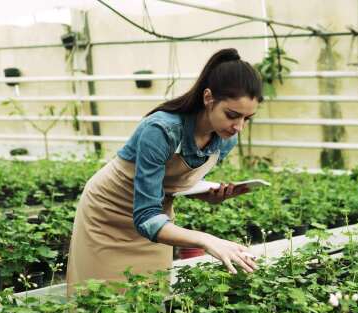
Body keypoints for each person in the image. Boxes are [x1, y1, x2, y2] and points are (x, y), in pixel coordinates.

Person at [66, 48, 263, 296]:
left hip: (158, 217)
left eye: (247, 118)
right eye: (232, 115)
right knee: (100, 301)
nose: (239, 127)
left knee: (150, 298)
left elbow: (171, 182)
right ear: (208, 98)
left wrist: (207, 194)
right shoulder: (161, 130)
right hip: (108, 213)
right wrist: (207, 240)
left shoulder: (225, 138)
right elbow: (146, 217)